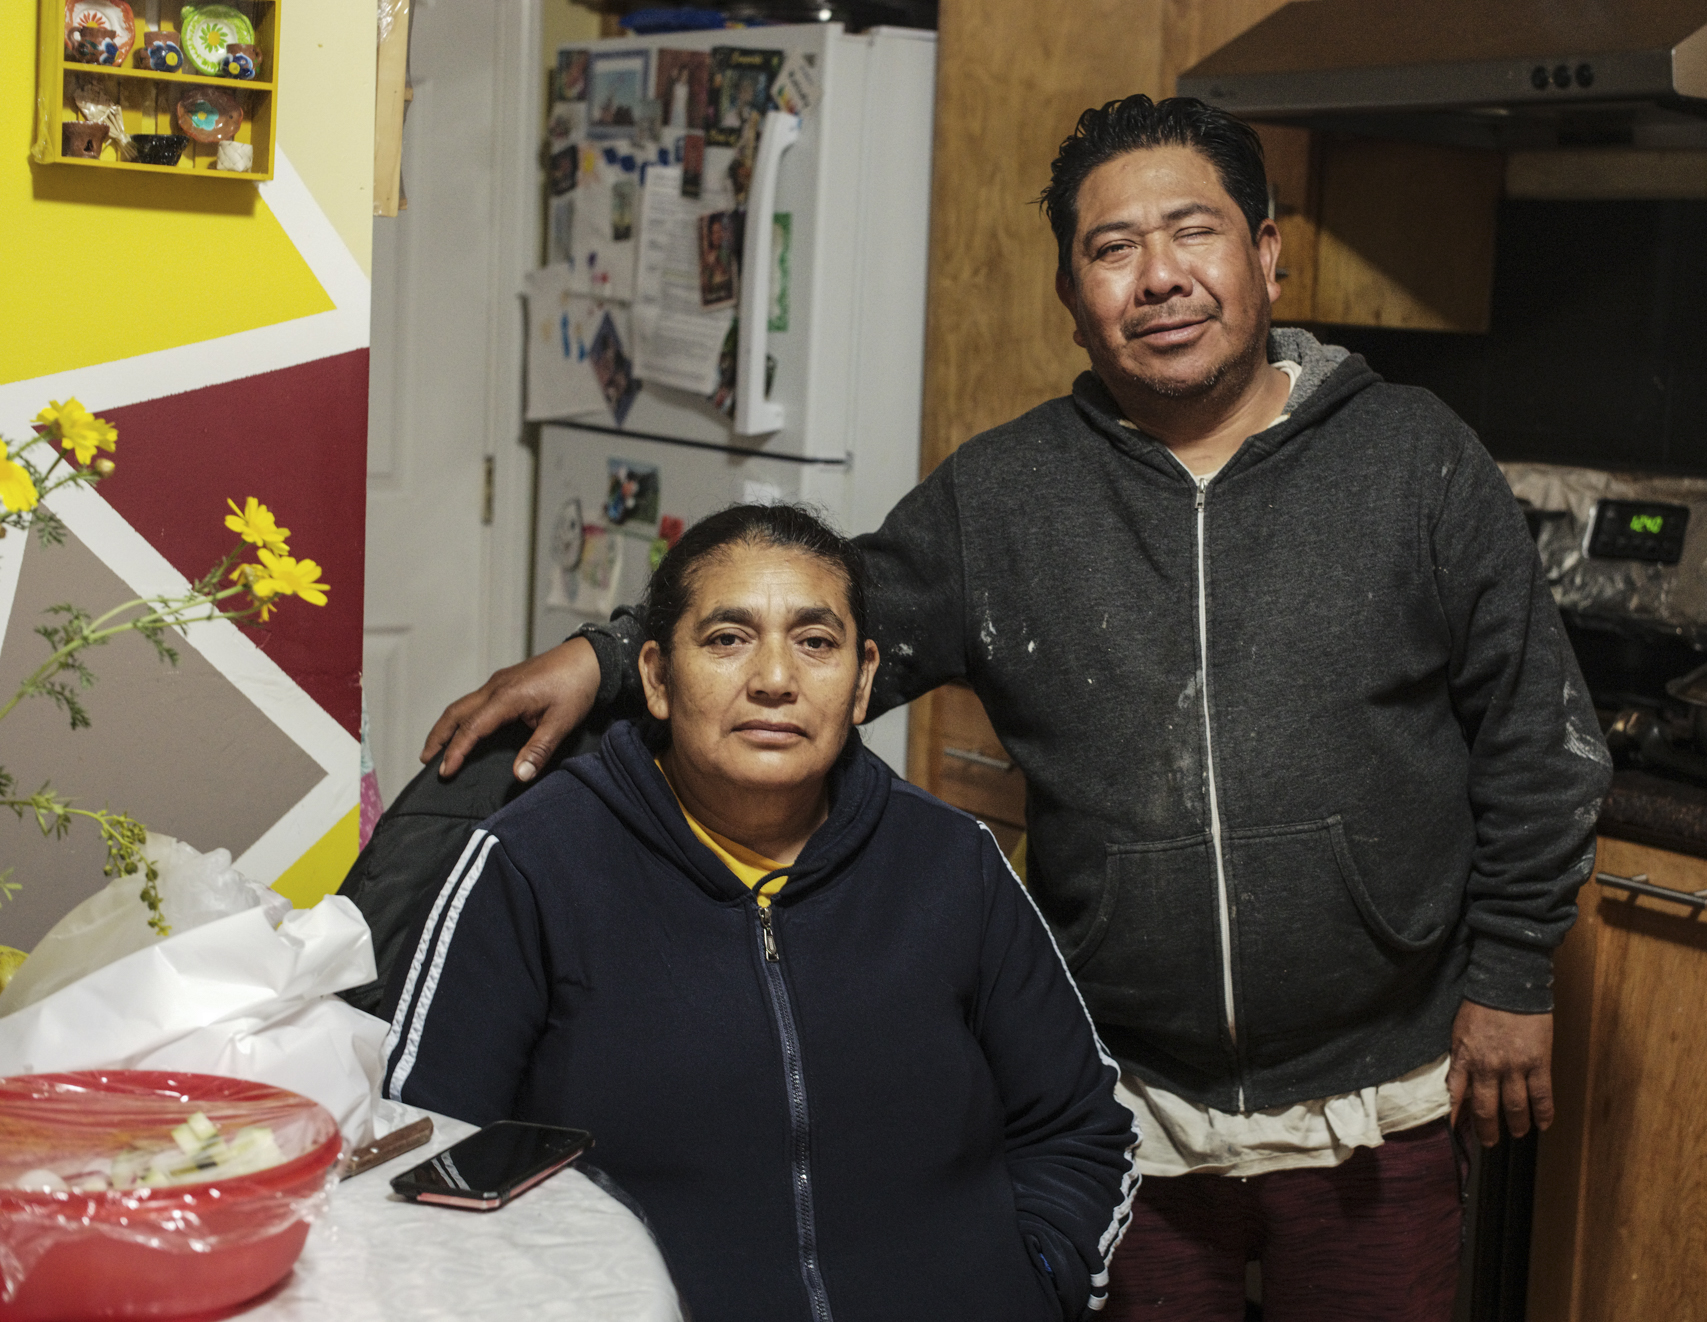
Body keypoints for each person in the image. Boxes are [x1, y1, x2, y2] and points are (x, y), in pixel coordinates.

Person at [425, 96, 1612, 1319]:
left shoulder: (1412, 458)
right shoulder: (1005, 495)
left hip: (1377, 1103)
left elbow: (1536, 731)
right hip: (1125, 1104)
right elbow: (810, 619)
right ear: (1070, 294)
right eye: (1110, 250)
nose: (1157, 277)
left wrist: (1514, 969)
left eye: (1190, 233)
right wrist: (611, 654)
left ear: (1265, 251)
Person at [385, 504, 1140, 1322]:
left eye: (816, 642)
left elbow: (1082, 1125)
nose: (775, 679)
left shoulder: (953, 864)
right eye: (726, 639)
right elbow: (436, 1161)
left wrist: (1033, 1280)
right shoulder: (532, 866)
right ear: (656, 678)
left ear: (861, 681)